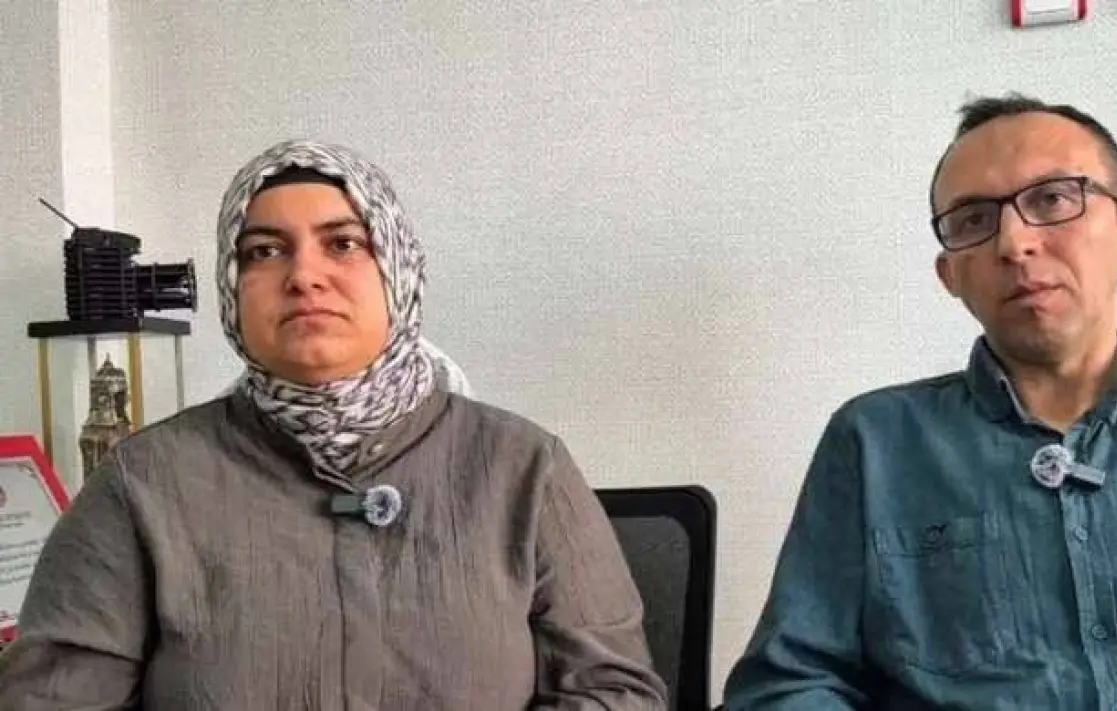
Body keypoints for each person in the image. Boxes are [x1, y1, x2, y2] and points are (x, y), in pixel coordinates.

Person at [0, 140, 667, 710]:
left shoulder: (525, 468)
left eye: (344, 243)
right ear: (232, 290)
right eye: (264, 251)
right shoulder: (142, 482)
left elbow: (614, 691)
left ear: (397, 270)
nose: (304, 275)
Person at [721, 93, 1117, 710]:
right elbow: (789, 682)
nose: (1014, 243)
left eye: (1053, 199)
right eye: (973, 220)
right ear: (949, 273)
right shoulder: (877, 442)